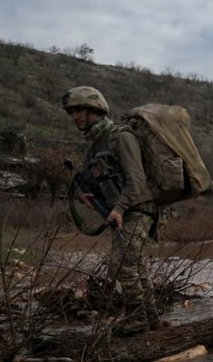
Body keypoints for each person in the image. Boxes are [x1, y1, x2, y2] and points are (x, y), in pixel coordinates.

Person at [61, 86, 163, 334]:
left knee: (120, 262)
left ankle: (137, 317)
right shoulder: (93, 148)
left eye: (80, 110)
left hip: (139, 208)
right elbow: (100, 183)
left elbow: (136, 181)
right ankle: (152, 320)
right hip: (123, 212)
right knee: (135, 263)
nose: (76, 117)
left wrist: (117, 209)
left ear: (95, 109)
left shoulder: (121, 136)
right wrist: (89, 197)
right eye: (72, 112)